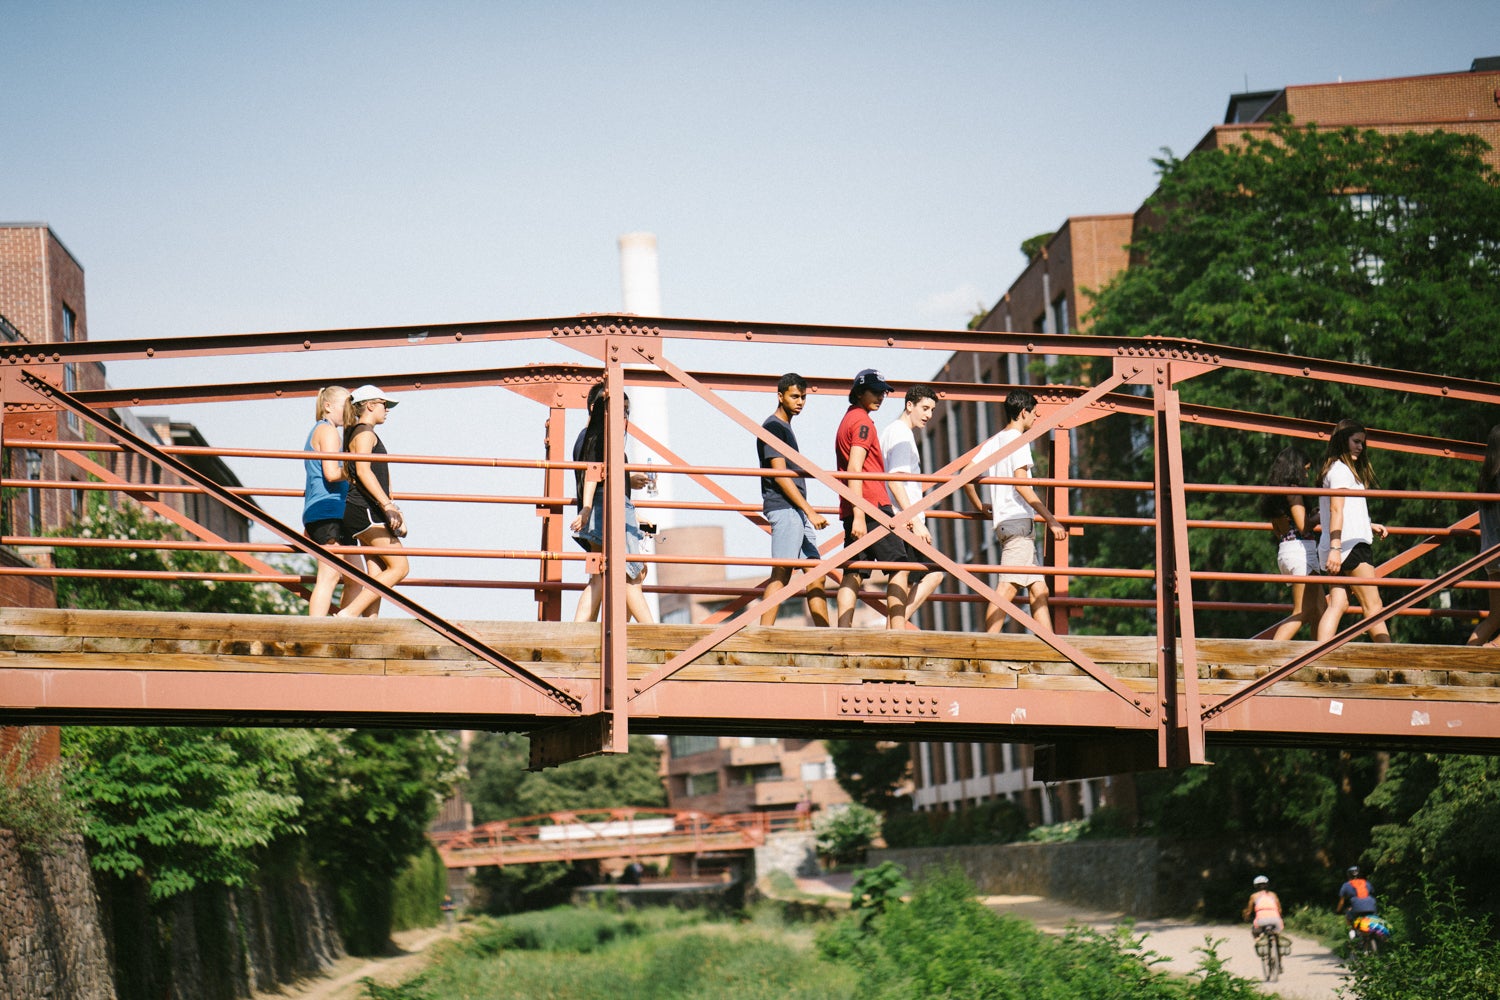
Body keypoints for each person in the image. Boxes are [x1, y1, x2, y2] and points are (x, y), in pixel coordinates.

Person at [963, 389, 1070, 634]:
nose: (1035, 419)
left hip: (1006, 524)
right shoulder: (1018, 441)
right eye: (1034, 414)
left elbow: (966, 477)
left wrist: (981, 506)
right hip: (1018, 523)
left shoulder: (996, 441)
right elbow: (1021, 484)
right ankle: (984, 647)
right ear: (1024, 412)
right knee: (1007, 588)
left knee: (1038, 589)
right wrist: (1051, 519)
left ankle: (1052, 648)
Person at [834, 369, 913, 629]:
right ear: (859, 392)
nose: (881, 396)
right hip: (872, 507)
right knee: (900, 567)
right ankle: (898, 633)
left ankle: (843, 630)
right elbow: (855, 468)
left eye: (884, 392)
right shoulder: (863, 423)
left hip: (853, 505)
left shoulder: (848, 420)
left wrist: (854, 512)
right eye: (876, 391)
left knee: (854, 571)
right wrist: (860, 514)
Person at [570, 383, 652, 624]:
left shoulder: (589, 437)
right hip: (607, 508)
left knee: (601, 575)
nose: (624, 416)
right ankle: (647, 631)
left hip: (608, 508)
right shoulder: (597, 436)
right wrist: (586, 509)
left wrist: (627, 481)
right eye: (619, 409)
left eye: (626, 410)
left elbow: (598, 473)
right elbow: (594, 473)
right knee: (631, 575)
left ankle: (585, 632)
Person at [757, 373, 830, 626]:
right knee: (781, 573)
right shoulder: (774, 427)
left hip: (795, 511)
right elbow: (779, 474)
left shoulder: (785, 427)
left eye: (804, 397)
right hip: (786, 509)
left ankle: (827, 638)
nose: (800, 402)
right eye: (795, 396)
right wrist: (809, 511)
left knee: (816, 574)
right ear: (780, 396)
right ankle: (762, 637)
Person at [335, 385, 409, 619]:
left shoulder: (355, 432)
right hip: (366, 510)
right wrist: (387, 506)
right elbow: (365, 471)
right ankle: (349, 614)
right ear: (370, 405)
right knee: (400, 567)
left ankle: (371, 622)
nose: (387, 410)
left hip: (361, 509)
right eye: (384, 404)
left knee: (377, 572)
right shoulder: (365, 433)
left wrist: (393, 507)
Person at [1315, 420, 1392, 643]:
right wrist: (1336, 549)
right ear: (1343, 441)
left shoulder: (1337, 470)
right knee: (1374, 606)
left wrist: (1368, 525)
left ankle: (1317, 658)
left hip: (1339, 546)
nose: (1360, 447)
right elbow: (1336, 509)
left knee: (1338, 604)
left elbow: (1342, 511)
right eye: (1356, 442)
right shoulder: (1341, 472)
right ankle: (1392, 663)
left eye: (1362, 443)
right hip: (1349, 548)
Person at [882, 384, 947, 625]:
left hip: (901, 516)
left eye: (931, 409)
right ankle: (893, 629)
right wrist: (914, 521)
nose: (929, 415)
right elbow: (896, 480)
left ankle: (893, 628)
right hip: (905, 518)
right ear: (909, 405)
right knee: (934, 573)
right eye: (925, 408)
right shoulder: (901, 433)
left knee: (906, 576)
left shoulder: (892, 430)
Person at [302, 385, 360, 616]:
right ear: (328, 406)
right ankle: (315, 634)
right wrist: (358, 466)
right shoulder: (328, 432)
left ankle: (341, 629)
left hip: (331, 511)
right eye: (346, 405)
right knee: (330, 575)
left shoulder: (319, 431)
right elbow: (331, 474)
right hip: (328, 510)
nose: (350, 411)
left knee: (357, 578)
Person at [1263, 446, 1325, 640]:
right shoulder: (1294, 491)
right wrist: (1320, 516)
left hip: (1286, 550)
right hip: (1301, 552)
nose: (1307, 475)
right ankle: (1271, 654)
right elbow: (1304, 526)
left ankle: (1317, 656)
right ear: (1296, 468)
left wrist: (1310, 517)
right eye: (1305, 469)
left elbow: (1279, 530)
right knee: (1303, 612)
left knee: (1321, 610)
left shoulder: (1277, 493)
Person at [1468, 424, 1500, 647]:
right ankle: (1491, 649)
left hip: (1490, 554)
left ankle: (1464, 658)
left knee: (1496, 616)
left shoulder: (1487, 480)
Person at [1243, 874, 1284, 940]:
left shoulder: (1254, 896)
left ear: (1255, 886)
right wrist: (1281, 917)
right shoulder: (1273, 894)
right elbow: (1279, 909)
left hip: (1261, 920)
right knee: (1277, 932)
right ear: (1267, 885)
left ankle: (1258, 941)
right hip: (1276, 920)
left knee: (1255, 932)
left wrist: (1247, 919)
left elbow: (1249, 911)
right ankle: (1277, 942)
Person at [1336, 865, 1378, 929]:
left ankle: (1351, 932)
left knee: (1348, 913)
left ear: (1348, 875)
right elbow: (1372, 893)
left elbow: (1341, 902)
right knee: (1373, 920)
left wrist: (1337, 911)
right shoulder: (1367, 883)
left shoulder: (1346, 885)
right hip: (1371, 906)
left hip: (1357, 908)